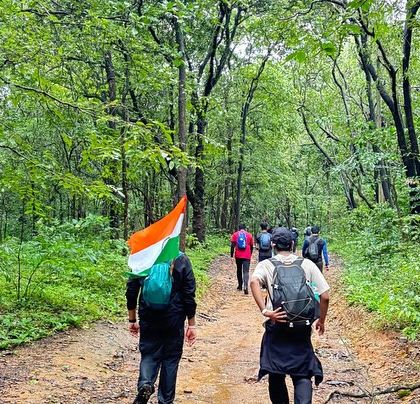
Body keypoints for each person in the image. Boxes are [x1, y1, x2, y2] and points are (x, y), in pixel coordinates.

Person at [250, 227, 330, 404]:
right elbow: (325, 295)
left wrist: (265, 311)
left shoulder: (266, 265)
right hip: (301, 329)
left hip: (277, 325)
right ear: (293, 244)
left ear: (273, 245)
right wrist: (321, 320)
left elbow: (254, 281)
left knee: (276, 373)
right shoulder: (306, 264)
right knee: (302, 372)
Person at [126, 254, 197, 404]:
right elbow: (189, 294)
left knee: (149, 353)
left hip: (148, 314)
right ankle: (165, 401)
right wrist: (191, 324)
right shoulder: (180, 258)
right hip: (174, 316)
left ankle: (145, 383)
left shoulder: (143, 255)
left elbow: (131, 291)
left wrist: (132, 319)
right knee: (171, 359)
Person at [230, 223, 254, 294]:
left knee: (239, 270)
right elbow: (252, 246)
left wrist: (231, 255)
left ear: (239, 228)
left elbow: (232, 246)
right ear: (245, 228)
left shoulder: (235, 234)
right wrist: (250, 254)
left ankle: (240, 286)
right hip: (247, 255)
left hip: (238, 255)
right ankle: (246, 286)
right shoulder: (249, 235)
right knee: (246, 271)